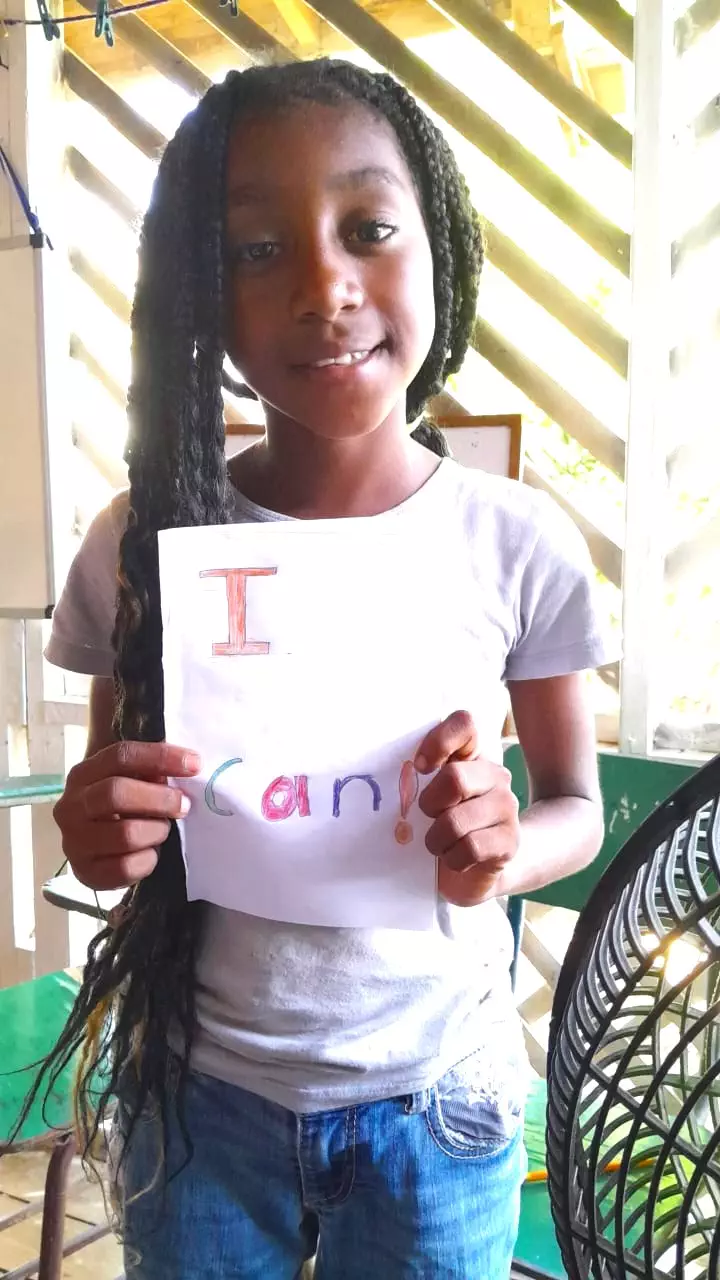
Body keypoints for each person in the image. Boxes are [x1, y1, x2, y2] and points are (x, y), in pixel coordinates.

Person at [31, 59, 610, 1278]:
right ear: (203, 299)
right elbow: (107, 809)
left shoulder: (518, 541)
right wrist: (101, 833)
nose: (324, 284)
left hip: (436, 1105)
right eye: (253, 251)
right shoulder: (144, 541)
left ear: (436, 246)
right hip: (201, 1103)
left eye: (368, 228)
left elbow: (576, 806)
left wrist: (509, 843)